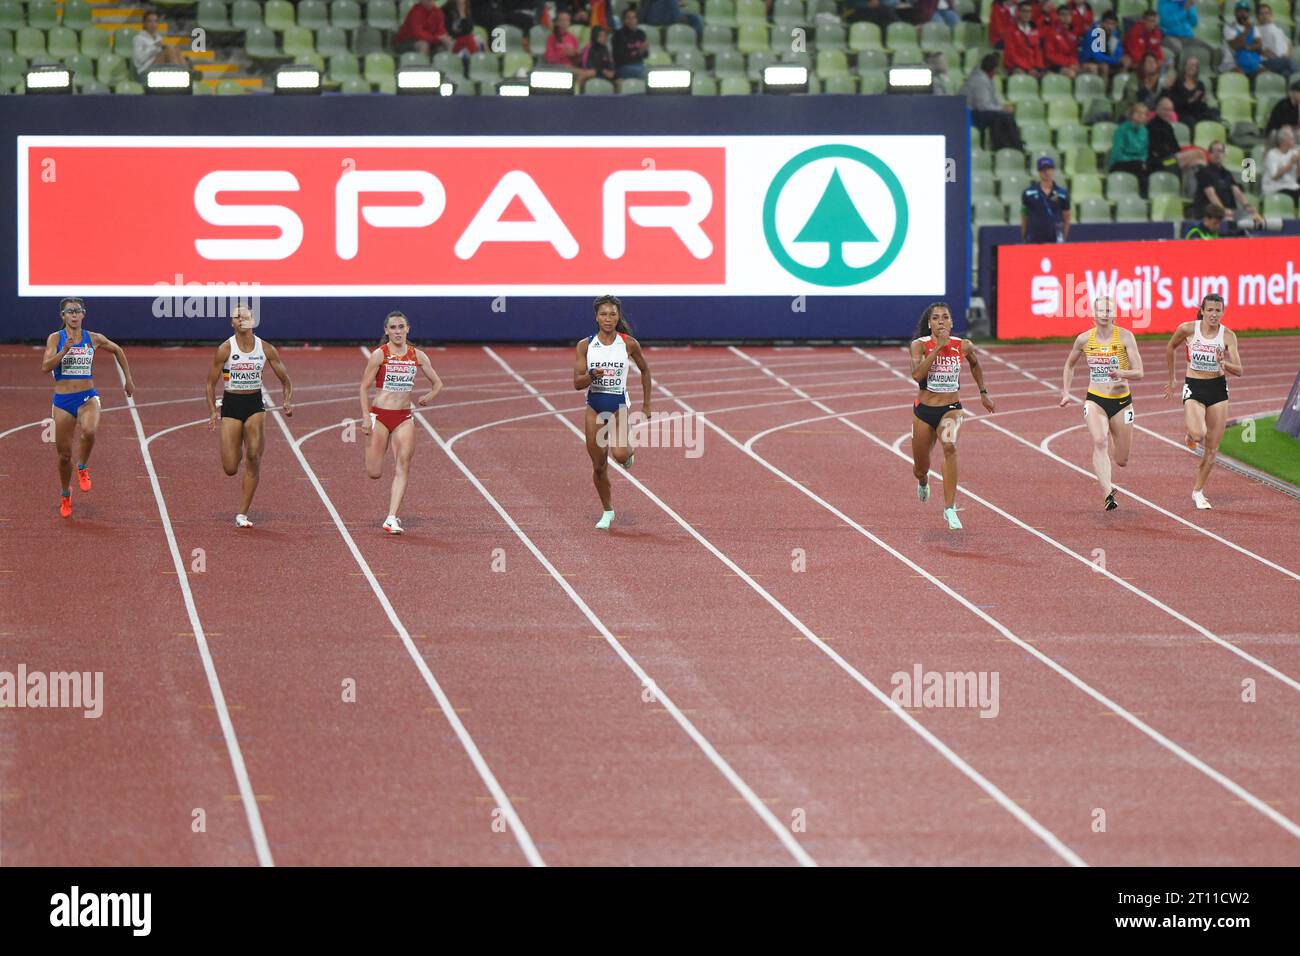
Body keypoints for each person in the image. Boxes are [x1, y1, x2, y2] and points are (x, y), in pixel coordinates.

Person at [40, 298, 135, 520]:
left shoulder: (94, 338)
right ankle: (65, 494)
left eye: (78, 311)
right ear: (62, 316)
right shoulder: (56, 338)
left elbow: (118, 350)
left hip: (87, 397)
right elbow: (45, 366)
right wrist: (63, 351)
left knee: (89, 431)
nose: (74, 315)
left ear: (84, 314)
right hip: (63, 401)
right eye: (69, 311)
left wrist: (128, 379)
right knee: (64, 456)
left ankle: (82, 466)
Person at [908, 303, 996, 531]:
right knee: (920, 466)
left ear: (952, 322)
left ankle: (949, 508)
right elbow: (917, 375)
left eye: (945, 317)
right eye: (935, 318)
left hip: (952, 409)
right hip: (924, 412)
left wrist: (983, 393)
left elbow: (975, 364)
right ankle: (923, 480)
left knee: (950, 446)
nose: (940, 322)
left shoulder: (963, 345)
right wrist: (937, 348)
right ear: (929, 324)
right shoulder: (919, 346)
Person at [205, 305, 293, 529]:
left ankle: (242, 514)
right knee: (231, 467)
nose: (241, 319)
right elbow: (209, 384)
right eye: (236, 316)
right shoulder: (225, 349)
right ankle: (238, 443)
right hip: (231, 405)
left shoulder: (265, 348)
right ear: (232, 323)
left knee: (254, 457)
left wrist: (286, 400)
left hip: (254, 404)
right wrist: (213, 411)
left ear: (253, 320)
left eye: (245, 315)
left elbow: (285, 379)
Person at [358, 312, 443, 536]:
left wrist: (428, 397)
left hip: (404, 416)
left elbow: (437, 383)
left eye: (401, 327)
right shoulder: (379, 355)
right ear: (386, 331)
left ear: (408, 329)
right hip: (380, 415)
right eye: (393, 327)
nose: (397, 331)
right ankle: (374, 447)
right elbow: (363, 387)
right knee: (374, 472)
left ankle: (391, 517)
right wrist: (366, 416)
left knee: (403, 464)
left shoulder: (418, 355)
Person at [1058, 296, 1145, 510]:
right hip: (1095, 400)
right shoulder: (1084, 340)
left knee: (1121, 459)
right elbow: (1069, 365)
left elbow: (1140, 372)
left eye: (1109, 310)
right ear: (1093, 314)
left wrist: (1122, 373)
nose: (1105, 314)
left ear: (1115, 314)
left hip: (1122, 402)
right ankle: (1108, 493)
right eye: (1101, 310)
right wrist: (1066, 392)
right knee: (1099, 441)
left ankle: (1116, 448)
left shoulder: (1125, 337)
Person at [573, 296, 652, 530]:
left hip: (618, 406)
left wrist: (647, 405)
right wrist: (591, 377)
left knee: (618, 455)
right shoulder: (585, 346)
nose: (608, 319)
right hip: (594, 407)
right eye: (604, 314)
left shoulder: (628, 344)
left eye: (612, 314)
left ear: (618, 317)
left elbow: (646, 372)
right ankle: (608, 511)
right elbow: (577, 383)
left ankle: (627, 454)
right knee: (598, 466)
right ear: (596, 317)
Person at [1163, 294, 1244, 510]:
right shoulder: (1188, 329)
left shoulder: (1228, 336)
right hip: (1194, 387)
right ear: (1202, 310)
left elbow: (1239, 369)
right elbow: (1171, 347)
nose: (1214, 315)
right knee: (1198, 434)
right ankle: (1190, 434)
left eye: (1218, 311)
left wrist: (1223, 363)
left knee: (1212, 449)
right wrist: (1172, 379)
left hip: (1218, 390)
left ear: (1223, 312)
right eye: (1210, 310)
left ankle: (1198, 491)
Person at [961, 52, 1025, 151]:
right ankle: (1011, 146)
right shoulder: (978, 81)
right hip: (971, 114)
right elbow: (982, 106)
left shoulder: (988, 79)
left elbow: (995, 98)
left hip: (981, 111)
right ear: (993, 69)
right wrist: (1001, 109)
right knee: (1002, 116)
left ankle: (1012, 145)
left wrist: (1003, 107)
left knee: (1005, 115)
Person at [1192, 141, 1264, 225]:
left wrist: (1248, 206)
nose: (1217, 154)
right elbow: (1211, 195)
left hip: (1229, 211)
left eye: (1220, 151)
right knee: (1228, 219)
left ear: (1224, 155)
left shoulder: (1227, 173)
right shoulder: (1203, 172)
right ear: (1209, 154)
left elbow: (1237, 192)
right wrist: (1222, 211)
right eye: (1214, 151)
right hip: (1210, 213)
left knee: (1254, 216)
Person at [1148, 96, 1208, 177]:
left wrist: (1181, 157)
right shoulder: (1152, 126)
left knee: (1198, 162)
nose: (1168, 113)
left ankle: (1205, 183)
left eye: (1170, 110)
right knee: (1199, 153)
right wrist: (1179, 156)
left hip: (1173, 160)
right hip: (1162, 163)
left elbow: (1176, 148)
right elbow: (1159, 152)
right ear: (1157, 109)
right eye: (1165, 109)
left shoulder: (1168, 126)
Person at [1021, 156, 1072, 242]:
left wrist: (1063, 238)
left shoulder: (1062, 194)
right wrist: (1024, 236)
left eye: (1049, 169)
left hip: (1055, 239)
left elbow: (1066, 218)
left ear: (1053, 170)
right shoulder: (1028, 193)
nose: (1046, 172)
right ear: (1039, 172)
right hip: (1034, 240)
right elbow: (1024, 216)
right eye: (1043, 170)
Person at [1110, 101, 1152, 195]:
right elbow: (1117, 153)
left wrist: (1141, 162)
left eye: (1144, 114)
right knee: (1139, 169)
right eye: (1138, 112)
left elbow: (1144, 152)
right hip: (1120, 163)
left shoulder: (1145, 131)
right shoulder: (1122, 129)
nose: (1141, 116)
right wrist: (1135, 161)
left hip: (1138, 164)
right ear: (1131, 114)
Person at [132, 9, 186, 78]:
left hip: (158, 67)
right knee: (169, 50)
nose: (153, 24)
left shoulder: (158, 38)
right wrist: (154, 47)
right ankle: (182, 76)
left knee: (176, 49)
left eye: (155, 21)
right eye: (149, 21)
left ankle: (187, 73)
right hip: (145, 71)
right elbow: (139, 60)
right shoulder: (138, 38)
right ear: (144, 23)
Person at [1078, 9, 1124, 85]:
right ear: (1102, 23)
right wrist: (1114, 60)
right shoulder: (1095, 33)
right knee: (1104, 67)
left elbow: (1119, 52)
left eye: (1113, 24)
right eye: (1108, 23)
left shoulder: (1115, 36)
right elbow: (1097, 56)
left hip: (1105, 61)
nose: (1110, 27)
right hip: (1087, 62)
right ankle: (1102, 93)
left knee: (1123, 65)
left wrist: (1118, 60)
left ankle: (1118, 94)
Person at [1003, 1, 1046, 77]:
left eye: (1029, 11)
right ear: (1018, 13)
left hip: (1031, 67)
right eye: (1024, 11)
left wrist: (1039, 68)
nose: (1027, 14)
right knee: (1020, 74)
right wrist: (1028, 69)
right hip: (1015, 66)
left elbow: (1037, 51)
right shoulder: (1010, 31)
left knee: (1046, 76)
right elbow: (1012, 54)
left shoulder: (1034, 30)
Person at [1168, 54, 1213, 125]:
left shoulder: (1200, 85)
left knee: (1214, 114)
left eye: (1194, 65)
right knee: (1191, 121)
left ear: (1197, 69)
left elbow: (1201, 107)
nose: (1191, 67)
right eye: (1189, 64)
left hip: (1196, 113)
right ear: (1185, 66)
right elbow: (1174, 104)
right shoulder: (1177, 82)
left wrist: (1203, 102)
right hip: (1181, 113)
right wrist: (1190, 100)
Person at [1039, 0, 1080, 77]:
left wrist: (1073, 63)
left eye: (1069, 15)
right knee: (1071, 74)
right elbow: (1049, 55)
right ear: (1057, 16)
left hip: (1068, 64)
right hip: (1052, 65)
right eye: (1063, 15)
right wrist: (1068, 63)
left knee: (1085, 71)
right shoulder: (1051, 32)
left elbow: (1074, 54)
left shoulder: (1072, 35)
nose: (1066, 17)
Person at [1223, 0, 1264, 77]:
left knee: (1266, 73)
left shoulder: (1254, 27)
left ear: (1248, 13)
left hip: (1253, 61)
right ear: (1235, 13)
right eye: (1240, 11)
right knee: (1240, 76)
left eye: (1245, 11)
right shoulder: (1229, 27)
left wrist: (1247, 47)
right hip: (1233, 62)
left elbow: (1259, 45)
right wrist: (1247, 30)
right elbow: (1235, 46)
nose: (1242, 14)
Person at [1262, 125, 1300, 204]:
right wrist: (1291, 163)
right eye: (1292, 139)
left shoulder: (1294, 153)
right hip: (1275, 188)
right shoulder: (1272, 154)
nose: (1295, 141)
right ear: (1284, 141)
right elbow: (1275, 176)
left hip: (1291, 186)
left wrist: (1297, 163)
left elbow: (1297, 177)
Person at [1256, 4, 1294, 77]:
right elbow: (1264, 51)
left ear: (1271, 15)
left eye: (1267, 13)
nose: (1264, 16)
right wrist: (1280, 59)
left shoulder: (1278, 29)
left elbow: (1289, 43)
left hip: (1283, 61)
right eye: (1262, 13)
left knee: (1286, 74)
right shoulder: (1257, 30)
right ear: (1258, 16)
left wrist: (1287, 54)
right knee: (1287, 63)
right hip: (1267, 61)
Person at [638, 0, 703, 42]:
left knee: (696, 18)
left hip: (661, 17)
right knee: (695, 18)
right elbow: (676, 14)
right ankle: (694, 41)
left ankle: (693, 41)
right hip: (657, 19)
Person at [611, 7, 648, 81]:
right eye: (628, 18)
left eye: (634, 18)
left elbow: (646, 55)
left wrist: (643, 51)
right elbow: (619, 58)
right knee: (646, 74)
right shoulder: (618, 35)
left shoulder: (641, 33)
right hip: (623, 67)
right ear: (624, 20)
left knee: (654, 71)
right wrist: (639, 52)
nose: (631, 20)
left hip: (639, 65)